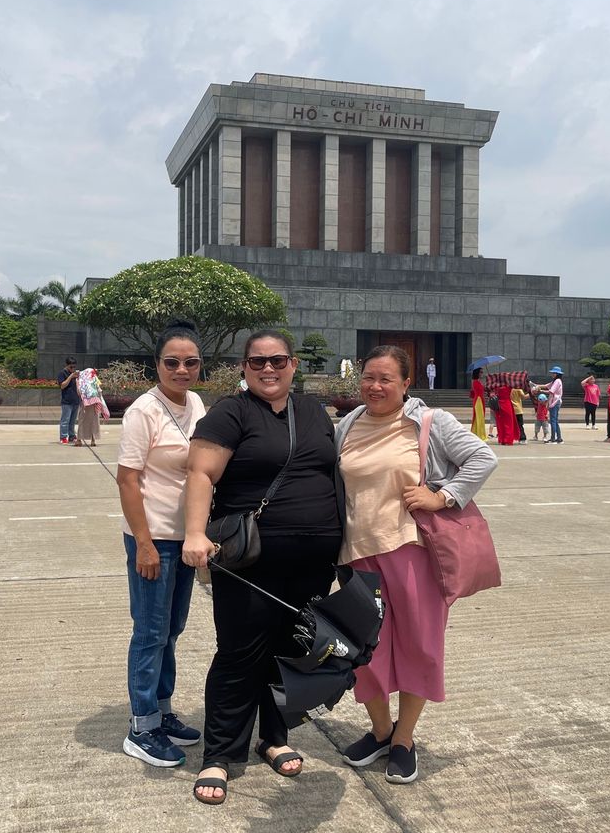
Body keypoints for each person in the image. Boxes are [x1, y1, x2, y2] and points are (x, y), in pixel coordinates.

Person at [182, 330, 342, 805]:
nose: (267, 369)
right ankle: (220, 753)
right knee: (238, 653)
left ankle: (272, 737)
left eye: (277, 361)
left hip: (314, 561)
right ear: (243, 368)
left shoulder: (313, 411)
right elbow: (201, 474)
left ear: (294, 365)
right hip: (250, 560)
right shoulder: (232, 412)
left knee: (288, 653)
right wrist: (195, 533)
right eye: (257, 362)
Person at [335, 345, 497, 785]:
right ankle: (381, 731)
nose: (375, 386)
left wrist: (442, 496)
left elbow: (483, 457)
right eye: (369, 377)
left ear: (407, 384)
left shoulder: (429, 422)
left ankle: (404, 740)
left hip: (413, 552)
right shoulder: (348, 425)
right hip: (358, 555)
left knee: (417, 647)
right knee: (364, 653)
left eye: (386, 378)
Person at [117, 323, 207, 768]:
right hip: (153, 540)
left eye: (190, 362)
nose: (181, 369)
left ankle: (163, 710)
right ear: (156, 366)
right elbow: (128, 480)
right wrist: (146, 546)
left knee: (171, 630)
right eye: (171, 362)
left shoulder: (195, 403)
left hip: (185, 537)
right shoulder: (142, 412)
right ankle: (142, 726)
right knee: (150, 632)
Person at [75, 368, 107, 447]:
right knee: (94, 421)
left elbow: (79, 392)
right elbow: (99, 390)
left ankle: (79, 440)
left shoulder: (79, 380)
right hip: (95, 402)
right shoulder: (94, 378)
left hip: (85, 403)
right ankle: (93, 440)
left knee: (82, 420)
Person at [57, 357, 80, 445]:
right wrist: (70, 376)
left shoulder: (75, 374)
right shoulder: (62, 373)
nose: (73, 369)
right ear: (66, 365)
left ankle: (72, 436)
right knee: (65, 420)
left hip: (75, 400)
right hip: (67, 401)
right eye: (71, 367)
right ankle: (63, 437)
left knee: (72, 420)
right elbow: (62, 385)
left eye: (74, 367)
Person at [543, 366, 564, 444]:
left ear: (557, 374)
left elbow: (551, 391)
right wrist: (536, 386)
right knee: (555, 421)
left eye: (553, 373)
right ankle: (559, 438)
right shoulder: (555, 381)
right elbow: (546, 386)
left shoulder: (557, 381)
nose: (552, 374)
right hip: (555, 402)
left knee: (553, 421)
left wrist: (540, 391)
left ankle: (553, 439)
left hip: (555, 402)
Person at [469, 369, 487, 439]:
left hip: (479, 400)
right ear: (477, 373)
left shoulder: (477, 381)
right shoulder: (476, 382)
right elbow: (478, 391)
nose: (482, 373)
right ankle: (480, 434)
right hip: (478, 400)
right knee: (480, 417)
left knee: (479, 417)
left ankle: (476, 433)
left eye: (482, 372)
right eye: (481, 372)